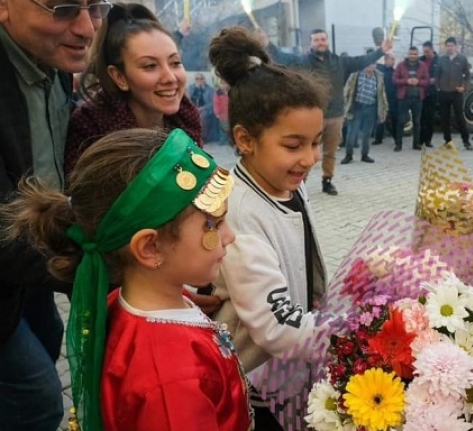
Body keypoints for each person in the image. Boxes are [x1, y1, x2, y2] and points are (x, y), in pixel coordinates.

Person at [1, 128, 251, 431]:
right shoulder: (172, 380)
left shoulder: (137, 301)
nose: (230, 237)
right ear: (150, 247)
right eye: (215, 224)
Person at [208, 26, 336, 431]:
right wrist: (349, 331)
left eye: (316, 142)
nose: (310, 158)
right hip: (257, 386)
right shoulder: (239, 216)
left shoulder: (283, 184)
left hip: (294, 366)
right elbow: (275, 328)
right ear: (246, 139)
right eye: (294, 145)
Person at [0, 0, 107, 428]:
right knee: (39, 400)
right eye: (62, 8)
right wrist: (118, 271)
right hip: (16, 258)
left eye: (95, 7)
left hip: (32, 267)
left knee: (47, 342)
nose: (85, 27)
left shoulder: (54, 62)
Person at [65, 3, 202, 175]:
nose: (170, 78)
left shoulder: (187, 120)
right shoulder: (89, 130)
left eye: (175, 63)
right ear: (119, 77)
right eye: (150, 66)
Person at [263, 27, 392, 195]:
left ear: (327, 41)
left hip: (335, 116)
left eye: (323, 39)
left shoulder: (340, 62)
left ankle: (327, 181)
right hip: (311, 117)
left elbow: (363, 60)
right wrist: (267, 44)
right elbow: (282, 57)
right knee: (305, 153)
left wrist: (381, 50)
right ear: (311, 43)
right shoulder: (302, 62)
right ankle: (301, 185)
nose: (320, 42)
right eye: (316, 40)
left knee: (330, 152)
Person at [342, 52, 388, 164]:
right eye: (368, 63)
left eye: (373, 64)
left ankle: (365, 155)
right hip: (356, 106)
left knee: (367, 134)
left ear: (375, 65)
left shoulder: (379, 76)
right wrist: (344, 105)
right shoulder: (356, 74)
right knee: (352, 133)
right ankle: (348, 155)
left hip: (371, 108)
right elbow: (347, 90)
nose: (370, 66)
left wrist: (383, 109)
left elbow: (382, 94)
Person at [436, 36, 473, 150]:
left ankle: (466, 141)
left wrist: (464, 87)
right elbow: (437, 75)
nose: (450, 48)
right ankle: (447, 141)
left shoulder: (462, 59)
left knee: (459, 117)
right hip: (444, 93)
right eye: (448, 46)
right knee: (445, 118)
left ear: (456, 47)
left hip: (456, 92)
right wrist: (438, 87)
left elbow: (467, 75)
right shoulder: (442, 59)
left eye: (452, 46)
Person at [393, 46, 429, 151]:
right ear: (408, 54)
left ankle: (416, 144)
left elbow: (427, 81)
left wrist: (419, 82)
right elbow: (394, 79)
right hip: (404, 97)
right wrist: (406, 81)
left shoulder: (423, 66)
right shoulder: (401, 65)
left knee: (417, 122)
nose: (412, 56)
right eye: (411, 54)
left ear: (418, 55)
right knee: (401, 121)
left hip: (417, 98)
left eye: (414, 54)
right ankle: (398, 144)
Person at [374, 53, 398, 146]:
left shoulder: (395, 72)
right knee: (380, 117)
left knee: (393, 119)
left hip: (392, 98)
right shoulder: (379, 70)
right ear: (386, 60)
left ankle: (396, 138)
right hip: (381, 97)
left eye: (394, 59)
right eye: (392, 59)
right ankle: (378, 138)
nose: (393, 61)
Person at [419, 40, 438, 148]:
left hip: (433, 92)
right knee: (421, 117)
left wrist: (436, 80)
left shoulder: (438, 60)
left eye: (427, 51)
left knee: (430, 117)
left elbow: (441, 73)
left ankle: (428, 140)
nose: (425, 54)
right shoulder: (420, 60)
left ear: (432, 50)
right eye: (424, 51)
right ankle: (420, 139)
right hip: (422, 91)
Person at [189, 72, 217, 142]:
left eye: (201, 78)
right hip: (194, 108)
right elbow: (190, 99)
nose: (199, 80)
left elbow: (212, 103)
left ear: (204, 80)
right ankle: (193, 136)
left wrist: (203, 108)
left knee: (202, 117)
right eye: (197, 79)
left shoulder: (210, 89)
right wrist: (196, 89)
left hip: (206, 109)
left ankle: (202, 137)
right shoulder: (191, 88)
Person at [213, 79, 230, 146]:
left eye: (225, 83)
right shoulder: (217, 93)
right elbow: (216, 103)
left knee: (230, 127)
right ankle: (222, 139)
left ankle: (230, 140)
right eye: (222, 83)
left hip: (230, 113)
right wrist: (217, 113)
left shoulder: (231, 92)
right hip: (222, 114)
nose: (223, 85)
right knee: (223, 127)